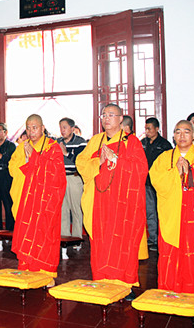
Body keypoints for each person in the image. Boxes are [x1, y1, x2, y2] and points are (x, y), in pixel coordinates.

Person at [76, 104, 148, 292]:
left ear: (120, 118)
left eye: (111, 115)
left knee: (122, 244)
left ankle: (125, 284)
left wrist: (118, 161)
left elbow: (141, 170)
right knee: (101, 243)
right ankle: (102, 280)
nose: (106, 119)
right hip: (99, 202)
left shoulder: (131, 142)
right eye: (103, 115)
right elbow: (81, 163)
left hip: (122, 204)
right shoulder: (96, 141)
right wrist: (97, 162)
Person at [149, 120, 194, 296]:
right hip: (171, 214)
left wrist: (190, 172)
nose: (182, 136)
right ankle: (169, 289)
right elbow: (155, 179)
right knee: (170, 253)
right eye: (178, 132)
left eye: (186, 132)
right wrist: (175, 173)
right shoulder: (165, 157)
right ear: (173, 136)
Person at [9, 114, 66, 276]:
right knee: (26, 233)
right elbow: (13, 169)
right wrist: (27, 161)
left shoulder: (51, 147)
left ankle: (45, 272)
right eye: (28, 128)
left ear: (42, 128)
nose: (31, 131)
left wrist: (34, 159)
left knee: (45, 235)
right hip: (26, 200)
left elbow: (56, 173)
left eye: (35, 128)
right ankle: (26, 267)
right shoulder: (22, 147)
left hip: (44, 202)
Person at [141, 117, 173, 250]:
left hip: (161, 184)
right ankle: (153, 238)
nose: (147, 131)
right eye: (146, 129)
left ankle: (162, 240)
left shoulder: (165, 145)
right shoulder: (143, 143)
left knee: (161, 211)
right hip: (147, 182)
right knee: (150, 211)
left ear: (157, 129)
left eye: (149, 129)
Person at [57, 118, 87, 239]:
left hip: (74, 178)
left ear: (72, 128)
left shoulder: (81, 142)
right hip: (60, 178)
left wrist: (67, 154)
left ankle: (76, 238)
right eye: (60, 127)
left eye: (64, 127)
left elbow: (82, 163)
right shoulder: (57, 142)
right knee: (62, 210)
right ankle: (64, 238)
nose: (62, 130)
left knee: (76, 210)